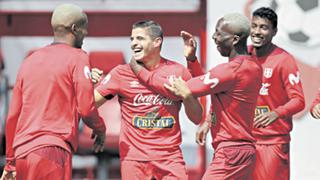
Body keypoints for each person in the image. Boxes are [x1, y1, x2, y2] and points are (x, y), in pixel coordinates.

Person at [130, 13, 261, 179]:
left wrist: (139, 70)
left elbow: (178, 89)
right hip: (244, 151)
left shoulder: (230, 71)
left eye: (219, 33)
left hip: (231, 153)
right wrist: (192, 60)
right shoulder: (252, 66)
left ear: (235, 39)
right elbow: (210, 87)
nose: (214, 37)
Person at [0, 4, 106, 180]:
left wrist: (10, 161)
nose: (86, 34)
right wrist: (100, 129)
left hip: (22, 155)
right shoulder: (78, 57)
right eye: (84, 28)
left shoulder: (29, 60)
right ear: (75, 29)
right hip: (52, 151)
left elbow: (13, 116)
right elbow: (86, 108)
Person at [93, 20, 202, 180]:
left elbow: (197, 117)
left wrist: (186, 96)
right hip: (135, 160)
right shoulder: (121, 73)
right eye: (132, 39)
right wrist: (85, 83)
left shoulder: (178, 71)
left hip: (170, 159)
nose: (133, 44)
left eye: (140, 39)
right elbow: (88, 104)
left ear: (157, 42)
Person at [248, 7, 305, 180]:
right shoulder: (242, 54)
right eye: (254, 26)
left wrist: (276, 113)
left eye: (263, 27)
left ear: (274, 32)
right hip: (243, 141)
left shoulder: (284, 60)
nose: (257, 32)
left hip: (272, 143)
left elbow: (298, 100)